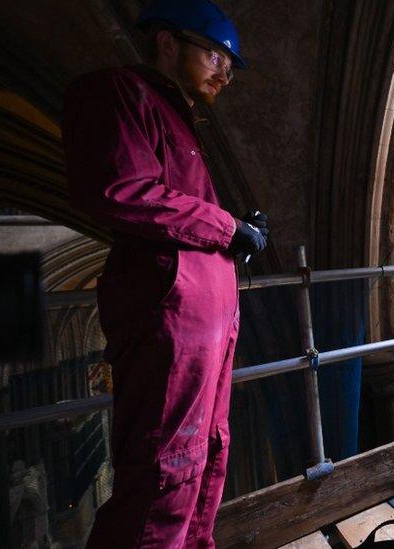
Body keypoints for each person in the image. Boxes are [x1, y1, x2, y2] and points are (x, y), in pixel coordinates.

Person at [61, 1, 268, 546]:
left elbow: (180, 210)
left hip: (206, 320)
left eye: (231, 62)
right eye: (215, 53)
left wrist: (234, 229)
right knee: (165, 471)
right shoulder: (119, 93)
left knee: (207, 454)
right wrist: (226, 228)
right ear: (168, 42)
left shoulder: (179, 120)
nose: (225, 70)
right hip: (172, 317)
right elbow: (120, 189)